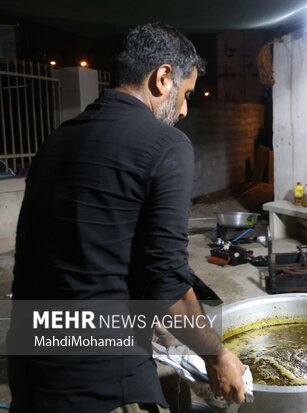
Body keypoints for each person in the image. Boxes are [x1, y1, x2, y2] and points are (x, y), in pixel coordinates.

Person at [8, 23, 245, 412]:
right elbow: (165, 277)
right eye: (185, 94)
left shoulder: (58, 138)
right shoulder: (166, 144)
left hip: (31, 369)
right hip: (101, 383)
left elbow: (82, 251)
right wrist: (216, 355)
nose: (185, 109)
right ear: (162, 77)